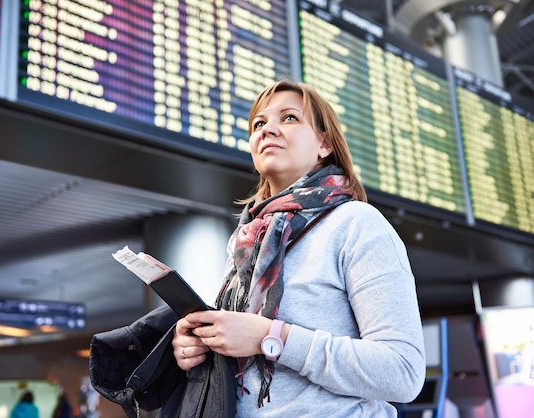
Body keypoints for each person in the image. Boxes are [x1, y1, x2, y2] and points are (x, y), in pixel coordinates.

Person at [171, 80, 426, 417]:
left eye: (289, 118)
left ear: (324, 144)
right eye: (259, 124)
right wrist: (198, 345)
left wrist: (271, 337)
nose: (268, 130)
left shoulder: (356, 224)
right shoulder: (247, 240)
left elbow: (402, 372)